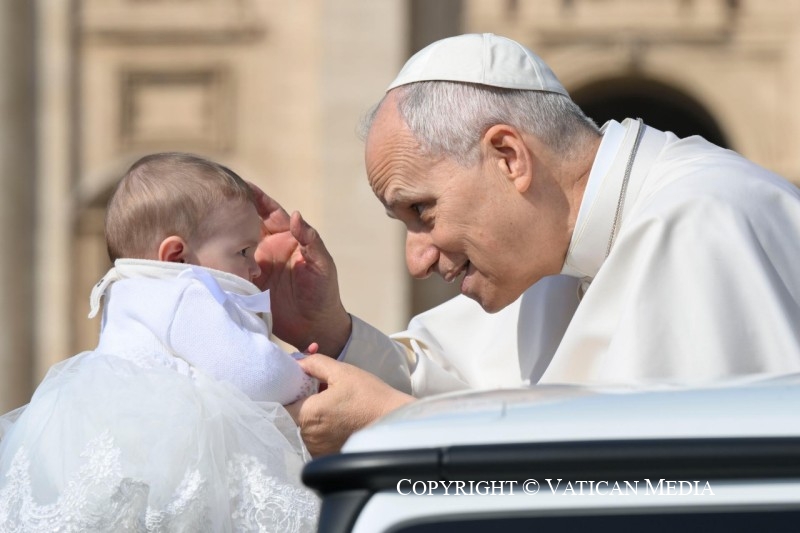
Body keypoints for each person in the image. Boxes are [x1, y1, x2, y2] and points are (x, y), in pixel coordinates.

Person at [255, 33, 800, 457]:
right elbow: (456, 385)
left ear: (509, 157)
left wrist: (397, 428)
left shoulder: (705, 221)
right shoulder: (561, 251)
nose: (417, 260)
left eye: (421, 211)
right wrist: (328, 329)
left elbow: (677, 479)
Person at [0, 153, 319, 531]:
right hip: (179, 442)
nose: (256, 267)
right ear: (176, 256)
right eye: (244, 251)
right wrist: (302, 375)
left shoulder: (124, 291)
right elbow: (252, 371)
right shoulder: (185, 291)